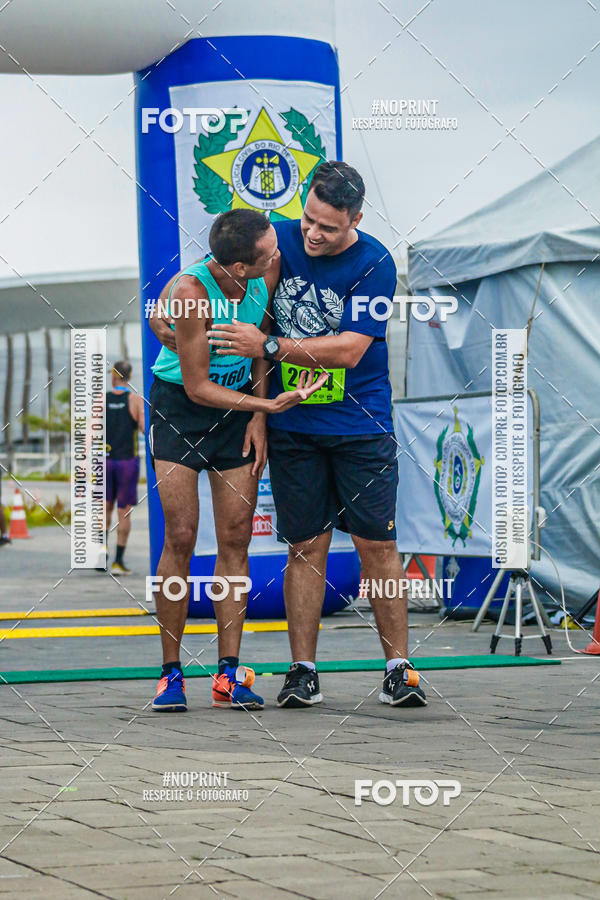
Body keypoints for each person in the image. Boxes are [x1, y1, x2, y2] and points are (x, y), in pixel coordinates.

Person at [206, 161, 427, 709]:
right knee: (305, 547)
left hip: (361, 424)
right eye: (308, 219)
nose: (312, 233)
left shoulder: (375, 262)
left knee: (378, 544)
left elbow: (350, 350)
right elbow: (235, 299)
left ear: (355, 218)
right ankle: (302, 671)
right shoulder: (275, 237)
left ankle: (398, 668)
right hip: (294, 425)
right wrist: (258, 410)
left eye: (328, 227)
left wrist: (273, 347)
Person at [148, 208, 326, 713]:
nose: (280, 255)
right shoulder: (189, 294)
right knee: (180, 535)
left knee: (235, 536)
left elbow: (260, 349)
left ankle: (228, 673)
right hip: (183, 407)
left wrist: (257, 416)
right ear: (240, 267)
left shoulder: (264, 271)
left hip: (239, 412)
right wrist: (266, 406)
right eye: (271, 251)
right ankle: (170, 675)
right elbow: (199, 385)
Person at [105, 361, 145, 575]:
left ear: (113, 376)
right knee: (124, 512)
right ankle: (118, 561)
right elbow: (143, 428)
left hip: (106, 460)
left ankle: (101, 555)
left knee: (105, 508)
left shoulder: (101, 400)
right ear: (129, 377)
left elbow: (91, 433)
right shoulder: (135, 400)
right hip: (127, 462)